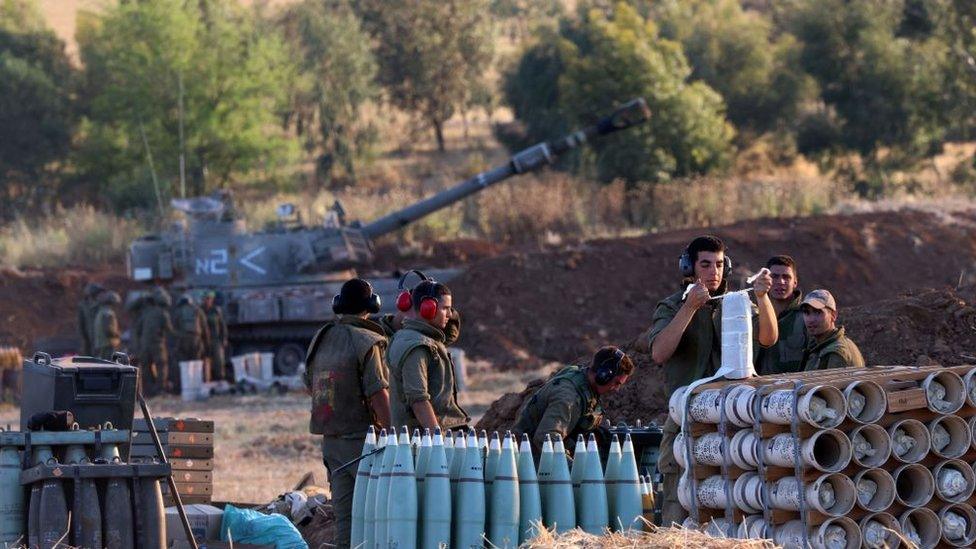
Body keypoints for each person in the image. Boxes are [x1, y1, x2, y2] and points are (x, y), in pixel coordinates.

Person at [646, 235, 777, 526]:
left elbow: (768, 338)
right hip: (685, 425)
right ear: (689, 268)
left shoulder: (735, 305)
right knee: (678, 515)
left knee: (731, 511)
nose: (713, 272)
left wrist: (763, 298)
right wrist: (689, 308)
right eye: (705, 265)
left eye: (719, 265)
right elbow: (659, 352)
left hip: (730, 422)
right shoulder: (671, 307)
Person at [304, 278, 392, 549]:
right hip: (363, 443)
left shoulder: (321, 337)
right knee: (378, 514)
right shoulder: (368, 341)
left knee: (345, 517)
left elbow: (309, 384)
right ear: (371, 305)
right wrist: (394, 433)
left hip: (331, 442)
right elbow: (378, 392)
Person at [514, 346, 634, 456]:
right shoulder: (568, 398)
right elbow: (546, 440)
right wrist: (576, 467)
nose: (617, 389)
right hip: (530, 462)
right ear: (603, 375)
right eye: (617, 383)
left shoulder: (582, 380)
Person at [387, 280, 470, 431]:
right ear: (428, 308)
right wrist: (437, 441)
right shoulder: (417, 346)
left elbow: (449, 335)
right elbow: (418, 400)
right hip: (420, 444)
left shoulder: (412, 337)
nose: (450, 314)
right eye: (445, 308)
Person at [758, 255, 807, 375]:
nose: (780, 282)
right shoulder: (755, 316)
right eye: (774, 277)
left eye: (786, 277)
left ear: (795, 282)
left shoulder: (807, 317)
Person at [799, 289, 865, 371]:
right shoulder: (819, 346)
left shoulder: (836, 352)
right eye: (806, 313)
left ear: (833, 315)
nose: (811, 319)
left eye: (818, 312)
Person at [172, 294, 211, 389]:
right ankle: (197, 386)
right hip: (196, 340)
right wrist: (207, 344)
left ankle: (183, 387)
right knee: (196, 363)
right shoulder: (198, 310)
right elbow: (205, 329)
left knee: (183, 365)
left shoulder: (177, 312)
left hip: (183, 340)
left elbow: (173, 329)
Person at [139, 287, 173, 396]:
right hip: (157, 344)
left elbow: (138, 328)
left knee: (146, 367)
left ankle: (148, 391)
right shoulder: (163, 313)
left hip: (144, 344)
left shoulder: (146, 312)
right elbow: (169, 330)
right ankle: (160, 390)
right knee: (162, 365)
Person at [201, 290, 229, 381]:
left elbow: (222, 326)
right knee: (205, 361)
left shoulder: (216, 311)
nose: (207, 301)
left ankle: (220, 378)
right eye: (206, 299)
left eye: (209, 299)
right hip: (203, 340)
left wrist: (224, 338)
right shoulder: (200, 310)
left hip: (215, 339)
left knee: (218, 361)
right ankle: (206, 380)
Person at [92, 291, 122, 360]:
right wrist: (118, 334)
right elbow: (108, 330)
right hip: (108, 344)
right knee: (110, 365)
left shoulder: (101, 312)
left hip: (102, 344)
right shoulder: (108, 313)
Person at [77, 283, 103, 356]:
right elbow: (80, 322)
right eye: (97, 292)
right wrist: (83, 337)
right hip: (88, 334)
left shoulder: (101, 304)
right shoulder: (83, 305)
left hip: (99, 335)